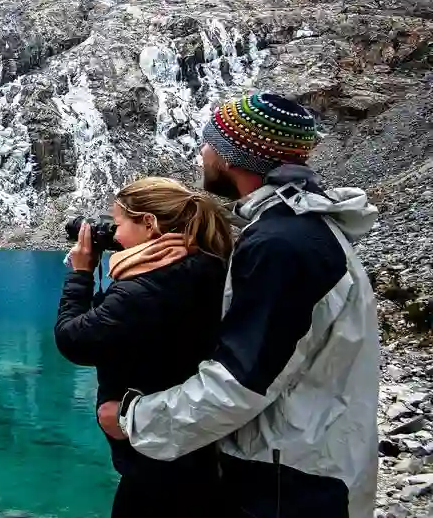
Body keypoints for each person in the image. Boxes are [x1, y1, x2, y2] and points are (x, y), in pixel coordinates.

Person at [97, 93, 380, 518]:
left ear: (233, 156)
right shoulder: (304, 230)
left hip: (289, 482)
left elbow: (242, 380)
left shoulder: (279, 246)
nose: (202, 154)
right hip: (312, 463)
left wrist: (134, 420)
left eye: (210, 142)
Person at [55, 177, 232, 518]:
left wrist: (81, 274)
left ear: (149, 225)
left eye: (118, 224)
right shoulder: (206, 265)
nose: (114, 234)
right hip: (202, 449)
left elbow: (73, 340)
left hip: (155, 458)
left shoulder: (144, 289)